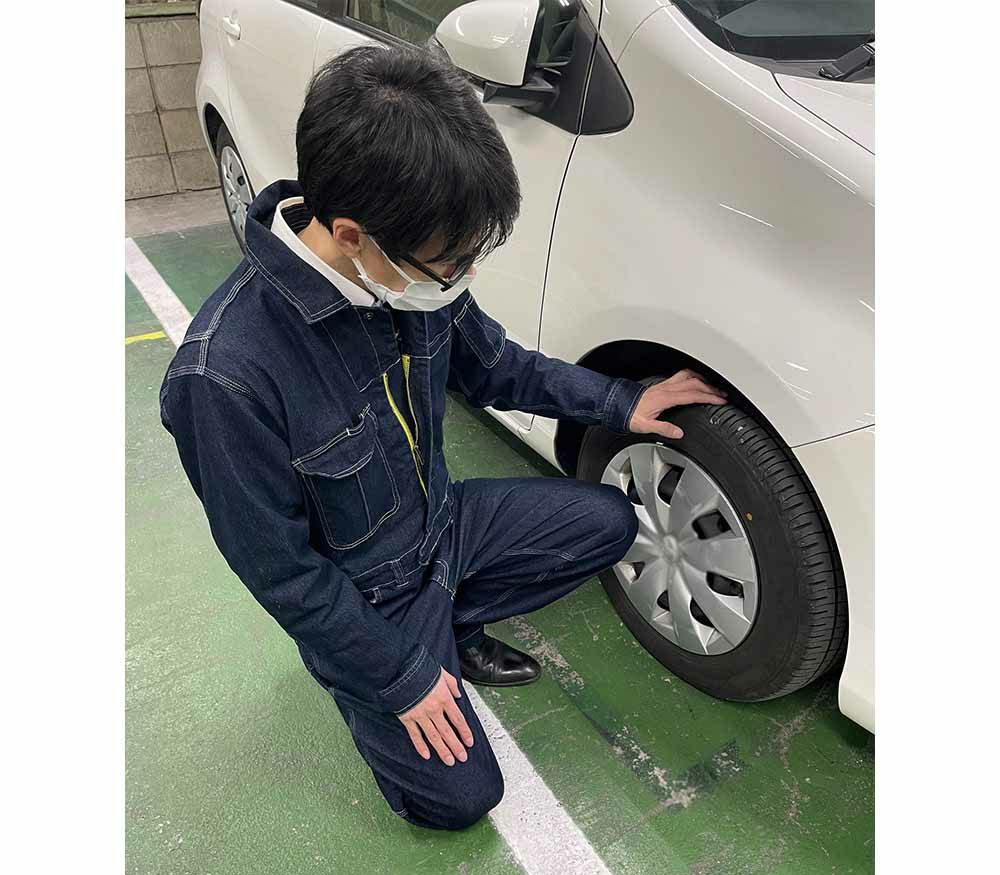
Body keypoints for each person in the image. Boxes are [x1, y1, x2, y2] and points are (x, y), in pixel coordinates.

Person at [159, 45, 726, 831]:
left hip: (442, 527)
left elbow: (497, 368)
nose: (460, 277)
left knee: (608, 522)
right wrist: (398, 677)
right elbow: (283, 575)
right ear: (352, 235)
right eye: (449, 262)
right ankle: (377, 673)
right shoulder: (225, 377)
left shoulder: (408, 277)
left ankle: (452, 622)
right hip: (367, 594)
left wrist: (619, 400)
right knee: (459, 799)